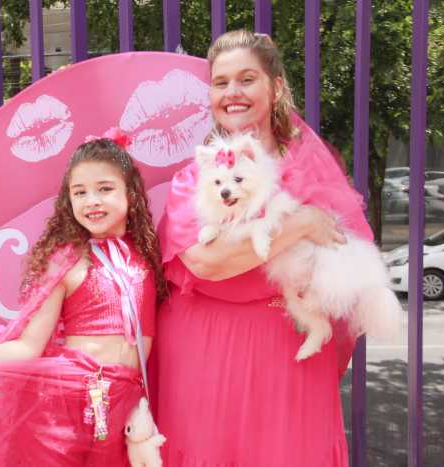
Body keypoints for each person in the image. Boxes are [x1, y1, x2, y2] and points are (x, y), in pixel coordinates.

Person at [152, 30, 373, 466]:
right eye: (220, 83)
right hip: (204, 356)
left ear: (275, 88)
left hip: (290, 353)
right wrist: (300, 224)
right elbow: (205, 262)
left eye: (247, 79)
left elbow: (350, 269)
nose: (232, 92)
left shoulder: (315, 171)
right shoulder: (194, 179)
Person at [0, 135, 167, 466]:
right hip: (69, 407)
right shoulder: (67, 260)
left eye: (105, 189)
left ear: (131, 195)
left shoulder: (148, 257)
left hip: (125, 406)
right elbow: (27, 347)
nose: (92, 201)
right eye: (79, 192)